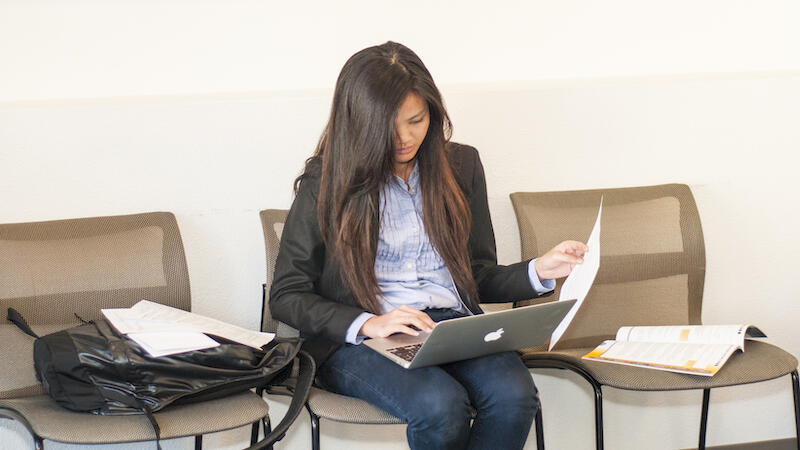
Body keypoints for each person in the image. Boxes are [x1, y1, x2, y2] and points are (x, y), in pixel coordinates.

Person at [270, 41, 588, 450]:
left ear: (433, 114)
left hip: (451, 325)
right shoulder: (326, 181)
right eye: (388, 126)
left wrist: (538, 271)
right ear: (359, 122)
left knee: (514, 397)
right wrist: (368, 323)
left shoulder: (461, 167)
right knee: (441, 406)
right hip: (362, 340)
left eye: (416, 120)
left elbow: (477, 275)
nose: (404, 138)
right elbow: (286, 294)